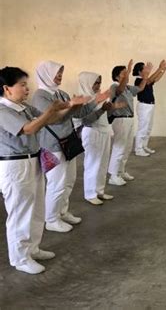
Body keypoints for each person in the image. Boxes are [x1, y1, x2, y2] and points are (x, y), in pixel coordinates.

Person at [0, 66, 79, 274]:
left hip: (32, 159)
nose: (27, 89)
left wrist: (69, 107)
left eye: (26, 84)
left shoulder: (23, 107)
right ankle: (20, 257)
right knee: (20, 212)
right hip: (15, 165)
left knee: (36, 208)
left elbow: (50, 120)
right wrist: (51, 110)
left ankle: (32, 248)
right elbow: (28, 129)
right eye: (22, 85)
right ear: (6, 89)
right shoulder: (2, 109)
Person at [32, 61, 101, 233]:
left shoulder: (61, 93)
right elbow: (54, 118)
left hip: (68, 142)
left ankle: (62, 211)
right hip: (53, 145)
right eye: (57, 73)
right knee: (57, 183)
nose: (59, 76)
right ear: (46, 74)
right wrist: (72, 105)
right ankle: (51, 219)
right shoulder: (40, 96)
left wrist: (90, 103)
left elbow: (78, 114)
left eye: (61, 72)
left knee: (69, 180)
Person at [78, 72, 123, 205]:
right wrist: (103, 109)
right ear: (87, 83)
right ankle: (90, 193)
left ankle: (99, 190)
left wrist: (111, 108)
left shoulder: (99, 96)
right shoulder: (83, 99)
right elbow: (86, 120)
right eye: (95, 83)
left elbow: (105, 115)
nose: (98, 85)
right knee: (93, 164)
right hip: (92, 132)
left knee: (103, 163)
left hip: (104, 131)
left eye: (99, 82)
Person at [107, 60, 150, 186]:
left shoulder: (128, 87)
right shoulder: (115, 86)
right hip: (120, 119)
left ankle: (121, 170)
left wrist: (145, 76)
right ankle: (113, 176)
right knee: (119, 147)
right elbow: (119, 90)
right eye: (123, 73)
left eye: (127, 73)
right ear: (116, 76)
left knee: (127, 147)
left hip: (129, 118)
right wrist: (129, 71)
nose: (126, 75)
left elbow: (141, 88)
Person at [134, 59, 166, 157]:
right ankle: (138, 149)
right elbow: (149, 80)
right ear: (139, 72)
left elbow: (155, 79)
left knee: (148, 127)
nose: (147, 70)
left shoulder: (146, 79)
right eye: (144, 69)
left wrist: (163, 70)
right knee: (143, 128)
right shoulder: (138, 80)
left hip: (150, 105)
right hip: (144, 106)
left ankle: (144, 145)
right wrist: (159, 68)